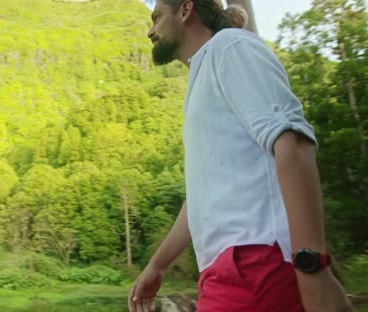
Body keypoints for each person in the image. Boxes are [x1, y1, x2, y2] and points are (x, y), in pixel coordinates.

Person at [128, 1, 355, 311]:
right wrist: (157, 265)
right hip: (230, 271)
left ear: (185, 10)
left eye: (156, 17)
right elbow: (199, 200)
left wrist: (312, 265)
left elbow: (292, 142)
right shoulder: (205, 73)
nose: (150, 30)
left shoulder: (230, 47)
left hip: (255, 266)